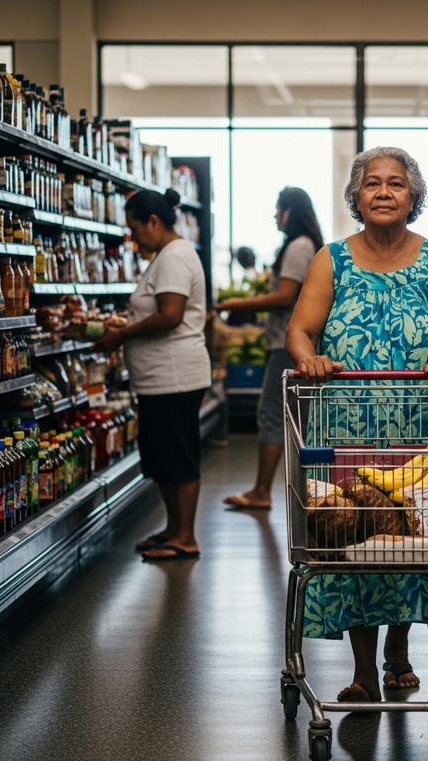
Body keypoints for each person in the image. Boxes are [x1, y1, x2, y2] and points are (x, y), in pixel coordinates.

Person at [285, 146, 428, 702]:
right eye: (372, 184)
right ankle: (364, 667)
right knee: (356, 536)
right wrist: (310, 358)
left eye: (397, 184)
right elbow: (301, 330)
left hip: (424, 426)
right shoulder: (332, 259)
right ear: (355, 197)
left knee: (415, 537)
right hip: (346, 423)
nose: (384, 192)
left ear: (413, 197)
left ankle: (398, 647)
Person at [94, 188, 211, 561]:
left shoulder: (175, 256)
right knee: (162, 457)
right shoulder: (166, 255)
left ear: (154, 222)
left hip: (175, 376)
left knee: (178, 456)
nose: (133, 237)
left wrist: (122, 335)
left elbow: (170, 315)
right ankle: (173, 529)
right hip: (160, 378)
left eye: (135, 228)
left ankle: (186, 537)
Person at [217, 187, 323, 510]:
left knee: (271, 413)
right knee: (294, 418)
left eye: (278, 209)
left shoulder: (299, 247)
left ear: (290, 211)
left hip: (289, 344)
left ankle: (262, 491)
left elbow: (284, 297)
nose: (275, 215)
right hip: (291, 342)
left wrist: (236, 302)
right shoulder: (305, 246)